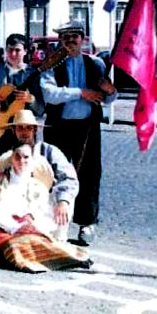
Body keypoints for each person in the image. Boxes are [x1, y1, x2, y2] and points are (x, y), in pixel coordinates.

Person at [40, 20, 114, 246]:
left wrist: (110, 91)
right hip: (59, 126)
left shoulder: (97, 65)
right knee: (51, 174)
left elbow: (108, 98)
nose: (71, 40)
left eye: (75, 36)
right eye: (66, 37)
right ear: (61, 40)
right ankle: (50, 221)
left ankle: (86, 223)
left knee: (89, 174)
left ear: (83, 39)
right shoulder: (51, 65)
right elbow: (50, 94)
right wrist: (81, 93)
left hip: (87, 127)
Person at [0, 144, 92, 272]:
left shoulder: (38, 186)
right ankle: (32, 262)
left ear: (31, 160)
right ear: (11, 159)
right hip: (7, 230)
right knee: (14, 246)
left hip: (32, 229)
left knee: (37, 242)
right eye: (17, 157)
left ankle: (70, 258)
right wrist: (16, 227)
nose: (21, 161)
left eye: (26, 157)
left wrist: (33, 225)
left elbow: (45, 214)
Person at [1, 109, 79, 242]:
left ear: (35, 130)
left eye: (28, 128)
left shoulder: (50, 151)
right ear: (14, 131)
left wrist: (63, 201)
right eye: (20, 128)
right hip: (19, 207)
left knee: (66, 200)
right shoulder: (8, 156)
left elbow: (69, 179)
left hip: (45, 206)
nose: (24, 132)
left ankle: (59, 238)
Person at [0, 33, 44, 165]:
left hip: (24, 132)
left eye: (17, 50)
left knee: (25, 169)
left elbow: (40, 109)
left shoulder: (33, 75)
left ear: (25, 51)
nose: (13, 54)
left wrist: (31, 99)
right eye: (10, 50)